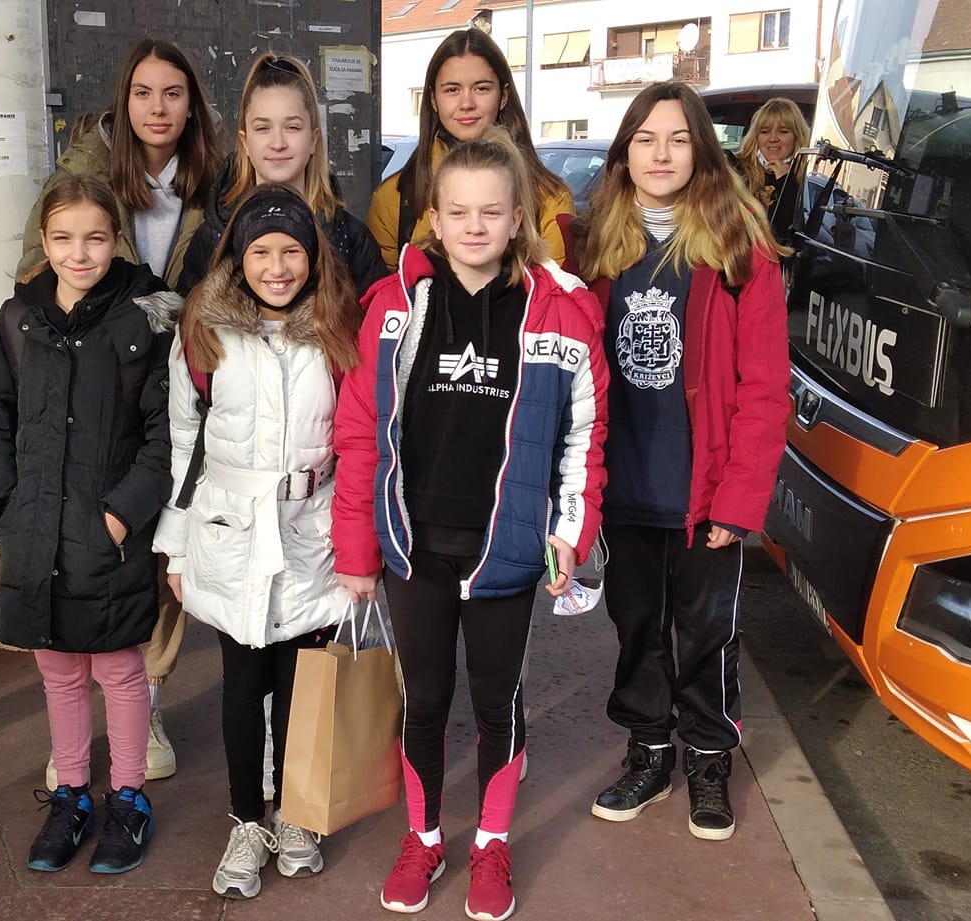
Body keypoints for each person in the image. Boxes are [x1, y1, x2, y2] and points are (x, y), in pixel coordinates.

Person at [333, 130, 608, 920]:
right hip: (413, 543)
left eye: (492, 211)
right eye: (458, 211)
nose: (475, 225)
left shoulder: (561, 313)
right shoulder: (394, 306)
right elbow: (360, 433)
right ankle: (423, 836)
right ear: (434, 217)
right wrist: (356, 548)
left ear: (519, 217)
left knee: (497, 701)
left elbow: (585, 436)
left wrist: (568, 533)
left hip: (507, 549)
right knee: (424, 700)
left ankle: (491, 841)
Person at [571, 80, 790, 841]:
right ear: (623, 153)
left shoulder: (739, 253)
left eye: (677, 139)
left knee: (706, 633)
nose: (660, 154)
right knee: (636, 626)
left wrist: (740, 501)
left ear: (701, 150)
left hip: (705, 491)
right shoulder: (593, 248)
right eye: (645, 139)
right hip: (623, 483)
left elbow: (765, 391)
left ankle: (708, 756)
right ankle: (650, 751)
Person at [14, 38, 225, 782]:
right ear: (122, 100)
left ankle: (149, 696)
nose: (157, 108)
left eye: (173, 93)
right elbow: (36, 272)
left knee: (168, 541)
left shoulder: (215, 179)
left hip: (190, 369)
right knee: (99, 546)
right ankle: (75, 733)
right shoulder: (85, 173)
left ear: (192, 104)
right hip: (106, 375)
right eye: (143, 92)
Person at [155, 185, 363, 899]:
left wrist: (359, 543)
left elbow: (360, 442)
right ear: (238, 258)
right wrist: (177, 545)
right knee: (243, 685)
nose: (278, 267)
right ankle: (247, 817)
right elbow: (185, 441)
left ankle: (297, 813)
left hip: (313, 531)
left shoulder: (338, 328)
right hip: (233, 530)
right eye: (262, 252)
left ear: (314, 257)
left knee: (303, 684)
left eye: (292, 251)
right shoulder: (205, 330)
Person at [0, 173, 180, 876]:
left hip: (108, 530)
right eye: (64, 238)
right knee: (58, 667)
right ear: (44, 241)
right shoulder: (16, 320)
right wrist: (4, 504)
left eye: (95, 238)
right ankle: (71, 794)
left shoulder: (145, 319)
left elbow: (165, 434)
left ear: (116, 239)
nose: (79, 252)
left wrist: (122, 514)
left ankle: (127, 796)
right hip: (37, 526)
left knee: (120, 667)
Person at [367, 28, 575, 273]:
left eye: (481, 88)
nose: (466, 103)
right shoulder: (394, 197)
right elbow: (387, 292)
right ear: (433, 99)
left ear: (503, 96)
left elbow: (559, 289)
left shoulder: (549, 198)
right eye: (452, 90)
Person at [179, 53, 384, 294]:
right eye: (262, 128)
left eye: (292, 127)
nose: (278, 143)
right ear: (245, 141)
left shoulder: (350, 238)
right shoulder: (212, 238)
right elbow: (189, 314)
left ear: (313, 139)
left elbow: (377, 313)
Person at [733, 97, 811, 247]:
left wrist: (786, 182)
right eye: (765, 131)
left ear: (796, 137)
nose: (773, 138)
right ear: (756, 136)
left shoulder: (801, 178)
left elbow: (783, 236)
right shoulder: (736, 169)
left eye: (783, 131)